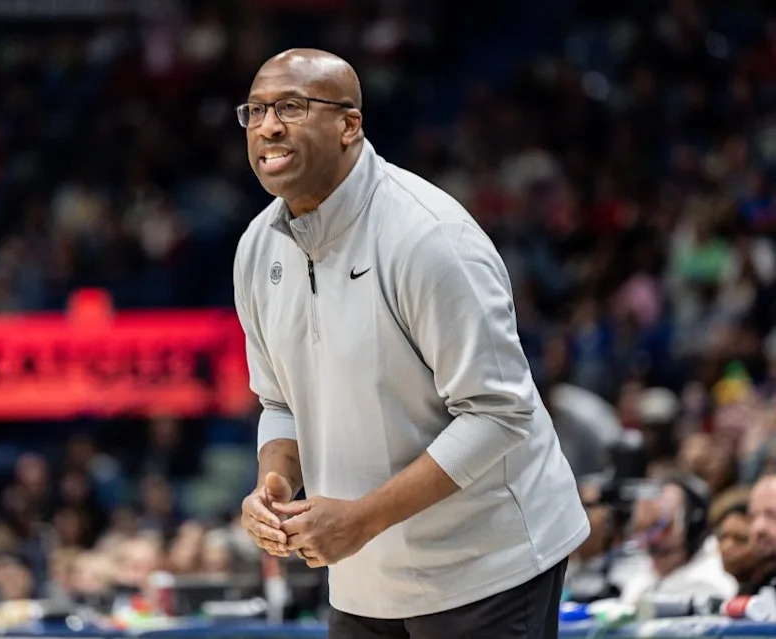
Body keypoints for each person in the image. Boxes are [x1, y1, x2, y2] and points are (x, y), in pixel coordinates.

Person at [233, 48, 589, 638]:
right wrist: (274, 485)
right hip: (362, 574)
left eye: (291, 107)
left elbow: (500, 414)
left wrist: (362, 519)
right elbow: (279, 403)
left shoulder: (428, 237)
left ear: (349, 124)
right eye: (257, 110)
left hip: (488, 568)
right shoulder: (255, 249)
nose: (268, 125)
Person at [619, 477, 737, 606]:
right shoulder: (638, 582)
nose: (654, 538)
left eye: (664, 525)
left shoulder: (713, 582)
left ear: (693, 523)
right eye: (644, 528)